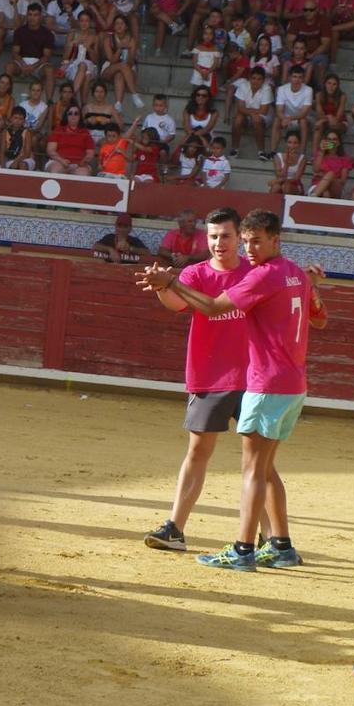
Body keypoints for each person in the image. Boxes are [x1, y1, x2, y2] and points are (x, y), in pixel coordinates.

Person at [139, 209, 328, 571]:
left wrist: (170, 281)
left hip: (264, 381)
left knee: (254, 470)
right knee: (260, 465)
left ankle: (245, 549)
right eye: (246, 241)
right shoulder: (294, 273)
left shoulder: (262, 275)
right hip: (283, 382)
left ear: (275, 240)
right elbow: (319, 318)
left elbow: (210, 306)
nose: (248, 248)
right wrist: (170, 285)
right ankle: (280, 545)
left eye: (252, 240)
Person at [142, 208, 253, 552]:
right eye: (214, 236)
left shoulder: (256, 272)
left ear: (240, 237)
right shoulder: (196, 273)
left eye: (226, 235)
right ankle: (175, 528)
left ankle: (266, 536)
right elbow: (175, 303)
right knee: (198, 451)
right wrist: (162, 286)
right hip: (211, 372)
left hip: (255, 375)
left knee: (258, 460)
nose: (219, 242)